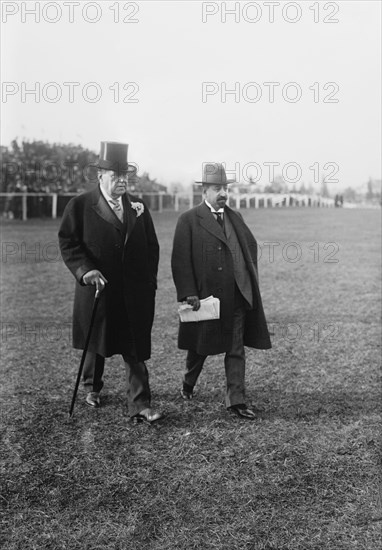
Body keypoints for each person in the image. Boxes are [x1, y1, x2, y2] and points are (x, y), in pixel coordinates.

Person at [59, 141, 162, 423]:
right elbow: (68, 243)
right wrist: (85, 271)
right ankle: (92, 387)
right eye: (115, 175)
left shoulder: (139, 207)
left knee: (135, 347)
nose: (121, 180)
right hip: (98, 290)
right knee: (97, 340)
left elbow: (152, 247)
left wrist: (148, 280)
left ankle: (140, 403)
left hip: (134, 292)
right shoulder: (80, 206)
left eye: (125, 175)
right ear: (100, 176)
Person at [171, 163, 271, 420]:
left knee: (235, 348)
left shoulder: (235, 217)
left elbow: (249, 248)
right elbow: (180, 261)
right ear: (204, 191)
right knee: (201, 348)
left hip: (237, 295)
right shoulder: (189, 220)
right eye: (217, 188)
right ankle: (188, 382)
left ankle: (236, 400)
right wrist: (188, 292)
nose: (223, 193)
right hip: (206, 298)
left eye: (225, 188)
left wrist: (246, 280)